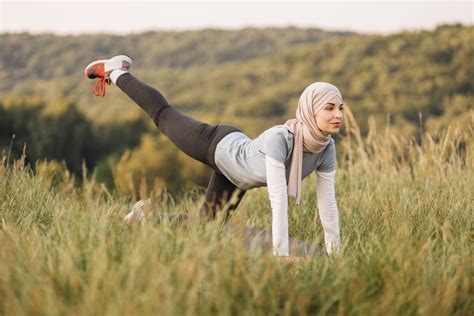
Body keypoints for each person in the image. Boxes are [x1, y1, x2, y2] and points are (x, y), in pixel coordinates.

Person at [84, 55, 343, 257]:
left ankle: (145, 217)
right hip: (218, 144)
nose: (338, 115)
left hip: (237, 177)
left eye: (340, 108)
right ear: (310, 110)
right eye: (329, 108)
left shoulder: (325, 147)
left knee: (205, 227)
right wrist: (281, 255)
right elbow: (278, 203)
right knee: (163, 116)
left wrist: (336, 255)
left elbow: (327, 205)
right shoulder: (281, 139)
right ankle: (116, 71)